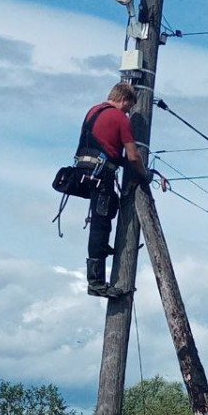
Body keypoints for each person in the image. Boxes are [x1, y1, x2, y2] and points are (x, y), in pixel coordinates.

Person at [76, 82, 152, 298]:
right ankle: (97, 283)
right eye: (128, 107)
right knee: (100, 224)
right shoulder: (120, 118)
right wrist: (143, 174)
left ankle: (103, 250)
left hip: (84, 171)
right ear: (124, 100)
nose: (128, 111)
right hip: (101, 174)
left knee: (106, 213)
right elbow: (133, 155)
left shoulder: (93, 111)